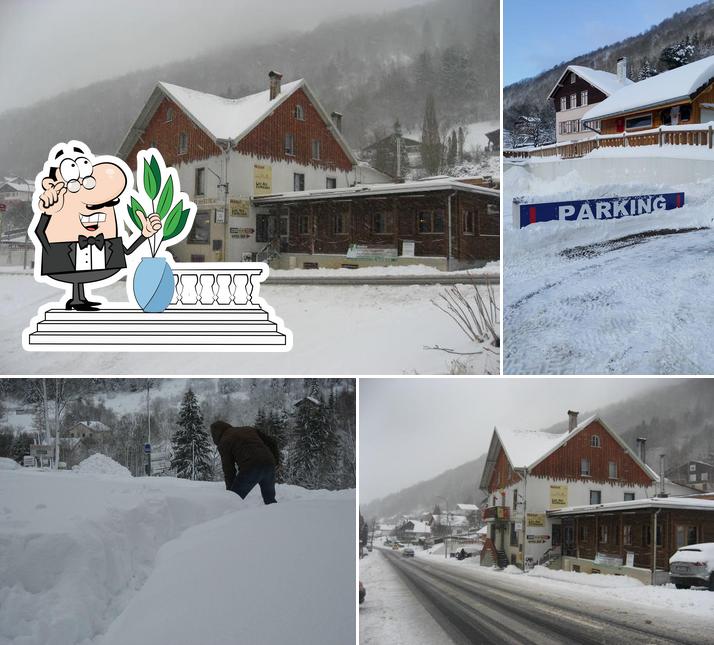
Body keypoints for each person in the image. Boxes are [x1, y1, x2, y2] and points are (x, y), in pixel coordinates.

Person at [33, 143, 161, 310]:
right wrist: (51, 248)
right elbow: (38, 230)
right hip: (65, 254)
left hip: (96, 254)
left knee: (80, 275)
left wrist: (145, 233)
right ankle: (77, 299)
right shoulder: (57, 206)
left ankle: (80, 298)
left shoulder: (107, 238)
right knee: (75, 274)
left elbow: (127, 251)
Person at [210, 420, 279, 505]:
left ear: (216, 435)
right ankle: (275, 516)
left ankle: (229, 517)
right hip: (269, 463)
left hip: (251, 467)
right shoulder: (248, 429)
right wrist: (276, 461)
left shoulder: (224, 442)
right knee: (270, 500)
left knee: (233, 500)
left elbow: (229, 470)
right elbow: (272, 442)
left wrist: (229, 493)